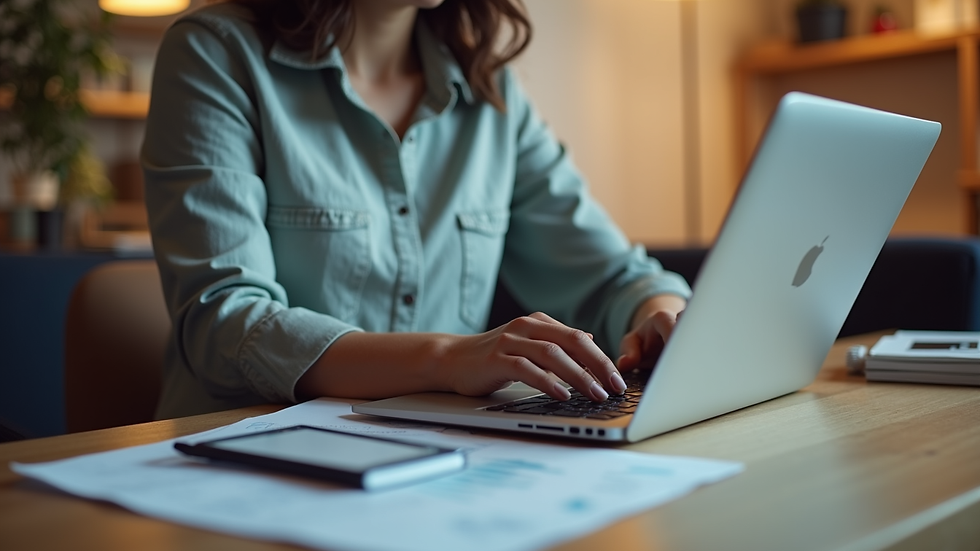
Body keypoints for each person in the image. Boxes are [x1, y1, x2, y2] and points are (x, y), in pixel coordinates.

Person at [142, 0, 691, 420]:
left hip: (435, 460)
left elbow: (617, 277)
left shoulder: (491, 94)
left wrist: (661, 317)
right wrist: (448, 358)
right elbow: (224, 323)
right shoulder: (215, 52)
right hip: (236, 459)